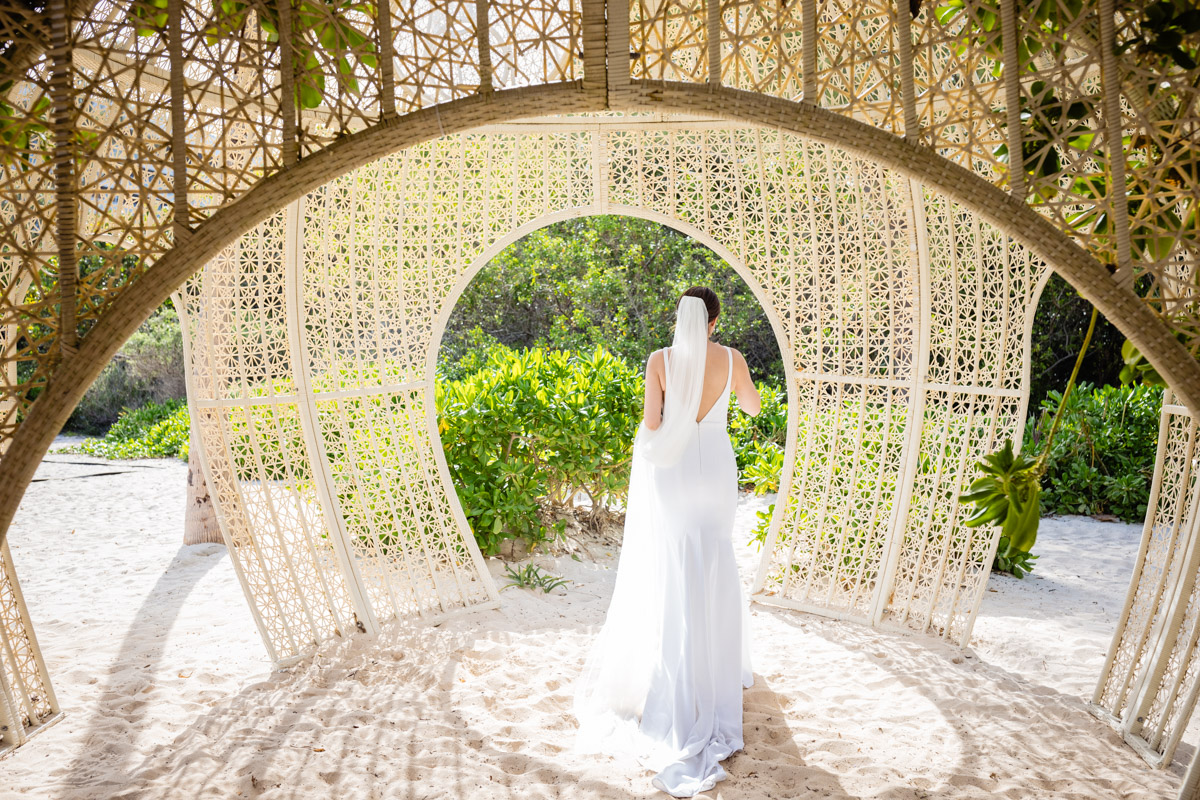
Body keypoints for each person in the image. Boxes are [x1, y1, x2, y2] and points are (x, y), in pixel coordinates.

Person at [572, 286, 761, 796]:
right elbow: (753, 408)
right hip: (717, 468)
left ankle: (681, 664)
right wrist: (732, 386)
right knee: (716, 556)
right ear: (715, 321)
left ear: (679, 318)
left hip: (674, 474)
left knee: (679, 563)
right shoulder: (733, 358)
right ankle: (717, 663)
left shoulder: (658, 359)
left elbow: (652, 424)